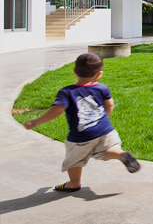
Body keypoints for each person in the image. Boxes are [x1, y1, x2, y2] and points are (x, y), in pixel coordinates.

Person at [23, 53, 141, 192]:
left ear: (74, 71)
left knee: (74, 160)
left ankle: (74, 183)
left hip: (81, 136)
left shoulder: (67, 92)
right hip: (106, 130)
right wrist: (105, 118)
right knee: (107, 151)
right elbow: (109, 105)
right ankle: (120, 155)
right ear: (99, 74)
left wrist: (35, 122)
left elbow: (57, 110)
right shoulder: (102, 88)